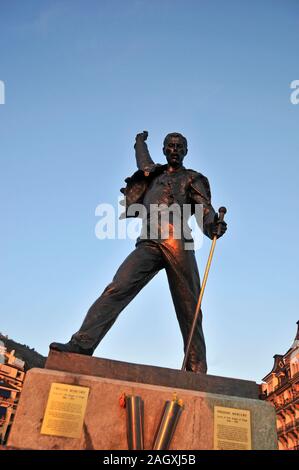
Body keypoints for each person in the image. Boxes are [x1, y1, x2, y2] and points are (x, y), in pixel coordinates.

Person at [50, 131, 227, 373]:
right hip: (148, 241)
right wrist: (140, 142)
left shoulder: (193, 178)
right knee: (117, 288)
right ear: (164, 150)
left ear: (186, 151)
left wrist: (213, 225)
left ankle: (196, 365)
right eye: (170, 146)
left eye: (179, 146)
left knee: (189, 306)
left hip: (179, 242)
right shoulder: (153, 173)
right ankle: (82, 344)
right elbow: (142, 160)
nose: (174, 150)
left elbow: (204, 209)